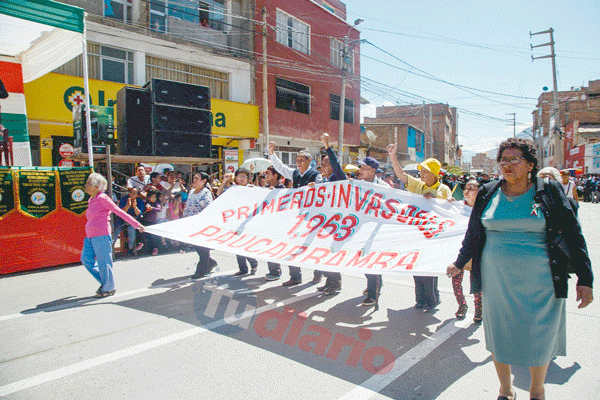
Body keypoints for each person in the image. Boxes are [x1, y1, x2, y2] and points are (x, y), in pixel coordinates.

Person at [447, 138, 593, 400]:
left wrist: (586, 278)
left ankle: (537, 390)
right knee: (500, 333)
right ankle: (505, 389)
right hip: (497, 281)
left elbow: (573, 233)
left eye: (514, 159)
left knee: (540, 334)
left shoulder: (548, 191)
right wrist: (459, 263)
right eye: (503, 160)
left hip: (543, 282)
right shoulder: (488, 192)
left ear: (530, 165)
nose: (507, 165)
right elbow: (473, 234)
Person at [387, 143, 451, 310]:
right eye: (421, 171)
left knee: (429, 271)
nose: (421, 174)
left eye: (425, 172)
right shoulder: (418, 185)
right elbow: (401, 174)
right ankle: (420, 299)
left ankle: (432, 299)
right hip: (417, 234)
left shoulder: (443, 189)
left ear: (434, 174)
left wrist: (437, 201)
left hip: (434, 236)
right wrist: (393, 156)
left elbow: (449, 208)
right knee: (417, 268)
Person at [82, 173, 145, 297]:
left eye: (89, 183)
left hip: (101, 235)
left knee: (104, 262)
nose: (86, 186)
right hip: (90, 236)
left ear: (97, 187)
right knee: (86, 259)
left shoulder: (103, 198)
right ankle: (107, 283)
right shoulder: (91, 199)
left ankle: (108, 288)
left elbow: (118, 211)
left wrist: (136, 224)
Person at [269, 142, 323, 286]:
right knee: (292, 245)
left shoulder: (315, 176)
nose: (298, 163)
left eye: (301, 160)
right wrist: (271, 154)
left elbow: (324, 189)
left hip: (312, 217)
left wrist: (316, 187)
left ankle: (318, 274)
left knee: (313, 246)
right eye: (297, 160)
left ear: (309, 161)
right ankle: (295, 276)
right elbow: (281, 168)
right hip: (298, 216)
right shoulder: (295, 174)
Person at [355, 156, 390, 306]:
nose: (360, 170)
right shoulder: (358, 185)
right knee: (362, 260)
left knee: (371, 261)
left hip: (377, 230)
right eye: (360, 167)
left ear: (372, 171)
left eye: (363, 168)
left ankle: (372, 293)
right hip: (362, 228)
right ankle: (375, 284)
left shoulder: (384, 188)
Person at [316, 133, 347, 295]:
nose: (323, 167)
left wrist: (327, 146)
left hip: (337, 224)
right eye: (322, 164)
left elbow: (336, 165)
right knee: (323, 254)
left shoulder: (338, 178)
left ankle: (335, 283)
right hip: (324, 224)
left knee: (331, 254)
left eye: (326, 164)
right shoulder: (323, 182)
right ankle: (329, 281)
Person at [450, 179, 482, 322]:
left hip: (477, 252)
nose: (467, 191)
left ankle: (479, 309)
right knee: (456, 280)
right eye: (466, 188)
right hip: (458, 251)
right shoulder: (456, 207)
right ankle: (462, 305)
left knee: (476, 283)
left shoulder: (484, 208)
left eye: (471, 188)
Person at [184, 172, 217, 279]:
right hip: (190, 223)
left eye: (197, 178)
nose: (194, 180)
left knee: (202, 248)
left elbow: (209, 209)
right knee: (197, 246)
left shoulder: (206, 193)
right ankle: (210, 262)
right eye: (194, 178)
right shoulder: (191, 192)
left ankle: (201, 271)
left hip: (201, 225)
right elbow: (187, 207)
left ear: (204, 181)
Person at [230, 168, 259, 276]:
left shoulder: (251, 188)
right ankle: (242, 268)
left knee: (245, 244)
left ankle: (253, 263)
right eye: (240, 176)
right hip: (235, 221)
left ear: (248, 178)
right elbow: (219, 194)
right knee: (236, 245)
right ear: (236, 178)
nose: (242, 178)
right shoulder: (233, 188)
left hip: (247, 221)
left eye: (244, 176)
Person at [263, 166, 286, 281]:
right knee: (269, 247)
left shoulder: (282, 188)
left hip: (279, 222)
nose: (266, 176)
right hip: (268, 222)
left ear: (275, 176)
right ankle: (273, 270)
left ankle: (276, 272)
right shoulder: (266, 187)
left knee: (275, 247)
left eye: (268, 173)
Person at [112, 187, 145, 255]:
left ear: (137, 195)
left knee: (131, 230)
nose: (131, 195)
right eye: (131, 193)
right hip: (122, 220)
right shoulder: (124, 199)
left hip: (133, 220)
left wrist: (135, 206)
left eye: (134, 193)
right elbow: (121, 212)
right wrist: (128, 205)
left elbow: (138, 213)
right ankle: (110, 248)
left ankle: (131, 248)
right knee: (116, 231)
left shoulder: (139, 200)